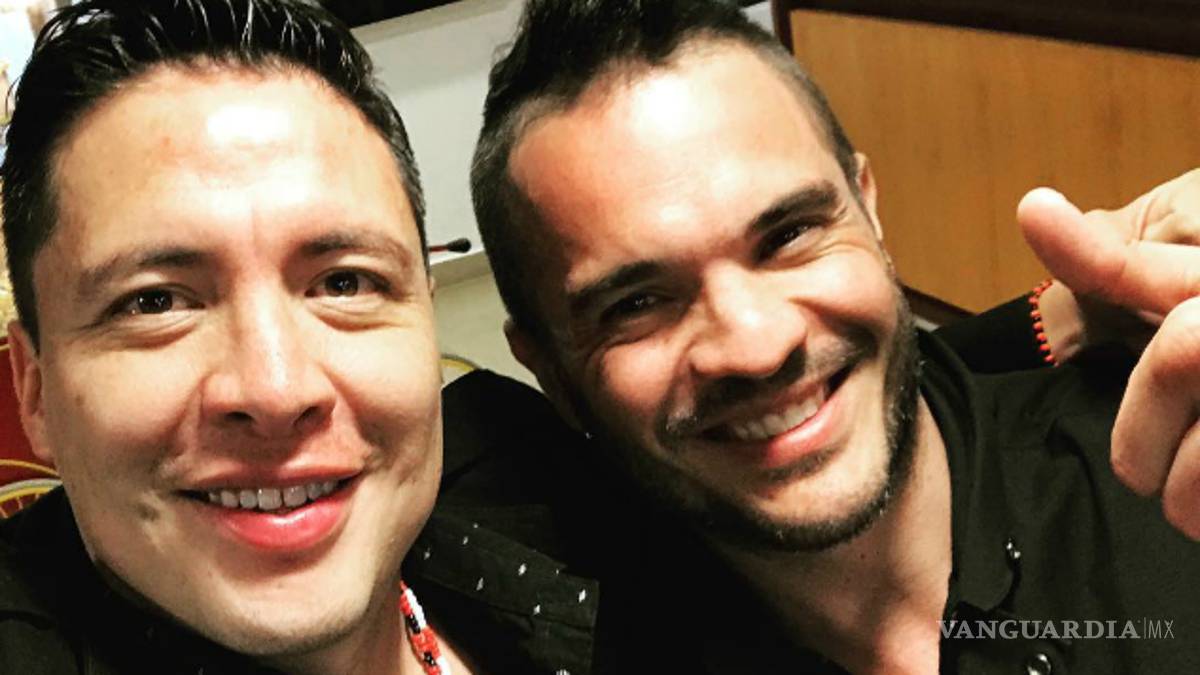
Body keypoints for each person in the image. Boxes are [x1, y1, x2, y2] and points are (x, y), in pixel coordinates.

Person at [459, 0, 1200, 672]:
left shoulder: (1164, 484)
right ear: (548, 369)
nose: (757, 347)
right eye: (636, 303)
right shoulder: (559, 607)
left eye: (788, 234)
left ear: (867, 209)